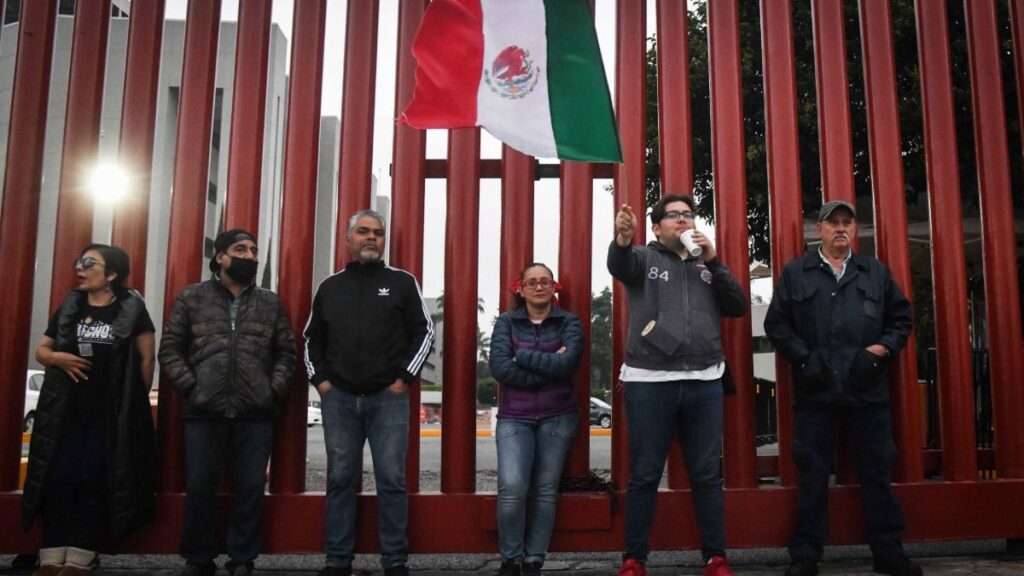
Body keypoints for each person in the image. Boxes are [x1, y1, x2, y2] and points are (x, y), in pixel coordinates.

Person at [763, 200, 919, 576]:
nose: (841, 229)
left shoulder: (875, 273)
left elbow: (901, 319)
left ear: (854, 230)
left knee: (877, 471)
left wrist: (879, 352)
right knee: (813, 474)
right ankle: (805, 555)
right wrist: (805, 360)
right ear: (819, 229)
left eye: (847, 223)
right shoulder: (796, 273)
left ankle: (887, 551)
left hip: (867, 390)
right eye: (833, 223)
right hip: (815, 391)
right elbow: (777, 325)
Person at [607, 194, 746, 576]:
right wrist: (621, 239)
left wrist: (714, 260)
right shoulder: (643, 258)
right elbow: (618, 264)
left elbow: (736, 305)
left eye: (689, 215)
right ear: (656, 227)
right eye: (674, 216)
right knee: (646, 472)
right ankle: (634, 559)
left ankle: (716, 557)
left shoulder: (706, 266)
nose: (683, 221)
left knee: (705, 473)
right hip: (650, 382)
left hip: (705, 380)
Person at [304, 209, 435, 576]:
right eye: (363, 232)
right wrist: (323, 384)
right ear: (348, 239)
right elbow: (311, 340)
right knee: (341, 478)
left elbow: (424, 333)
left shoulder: (402, 282)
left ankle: (395, 559)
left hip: (388, 398)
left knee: (392, 479)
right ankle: (337, 560)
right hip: (340, 399)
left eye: (378, 232)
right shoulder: (330, 287)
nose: (372, 238)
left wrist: (403, 379)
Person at [159, 229, 297, 576]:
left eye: (253, 250)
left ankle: (242, 557)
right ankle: (198, 557)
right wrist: (193, 388)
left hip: (256, 412)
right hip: (203, 411)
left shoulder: (270, 302)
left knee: (250, 488)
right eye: (240, 249)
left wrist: (271, 390)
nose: (250, 256)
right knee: (201, 486)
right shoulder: (192, 297)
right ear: (220, 257)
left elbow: (287, 353)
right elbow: (170, 349)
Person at [21, 244, 157, 576]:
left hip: (107, 413)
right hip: (65, 411)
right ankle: (51, 554)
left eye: (89, 263)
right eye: (79, 262)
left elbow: (146, 358)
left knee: (92, 478)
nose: (79, 269)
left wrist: (132, 402)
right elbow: (43, 349)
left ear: (111, 275)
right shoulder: (70, 306)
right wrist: (57, 358)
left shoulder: (132, 308)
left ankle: (81, 555)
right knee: (59, 476)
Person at [488, 263, 584, 576]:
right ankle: (510, 559)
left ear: (554, 287)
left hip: (558, 416)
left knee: (545, 489)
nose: (539, 286)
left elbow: (568, 365)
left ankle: (534, 560)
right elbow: (501, 369)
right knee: (512, 486)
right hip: (515, 417)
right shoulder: (506, 322)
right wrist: (549, 366)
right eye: (532, 282)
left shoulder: (569, 321)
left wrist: (524, 358)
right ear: (521, 288)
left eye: (545, 281)